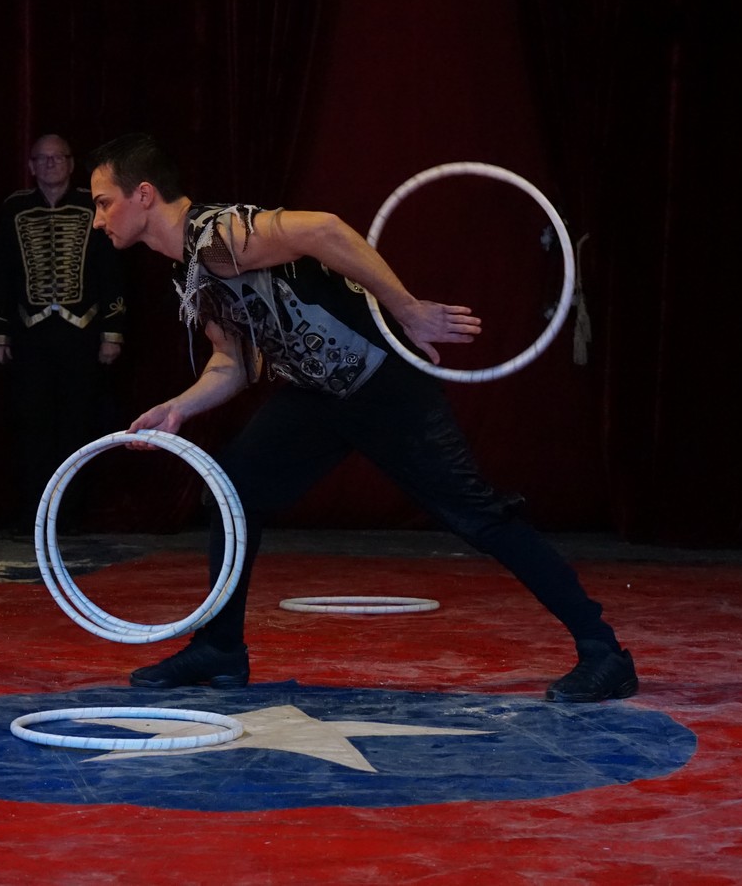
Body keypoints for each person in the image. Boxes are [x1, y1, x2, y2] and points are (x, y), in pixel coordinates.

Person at [85, 132, 637, 703]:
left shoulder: (218, 233)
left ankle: (604, 652)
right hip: (318, 396)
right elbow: (235, 363)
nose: (98, 220)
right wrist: (177, 407)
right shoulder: (190, 269)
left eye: (104, 203)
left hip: (382, 385)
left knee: (477, 516)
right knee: (233, 492)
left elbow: (324, 229)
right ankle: (220, 648)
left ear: (143, 195)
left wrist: (408, 310)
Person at [0, 134, 127, 534]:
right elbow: (1, 272)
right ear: (31, 166)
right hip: (29, 333)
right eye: (42, 158)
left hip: (82, 331)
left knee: (78, 423)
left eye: (58, 157)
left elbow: (111, 269)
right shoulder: (14, 208)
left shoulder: (92, 207)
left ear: (70, 163)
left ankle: (70, 516)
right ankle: (33, 514)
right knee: (31, 424)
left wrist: (112, 331)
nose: (50, 164)